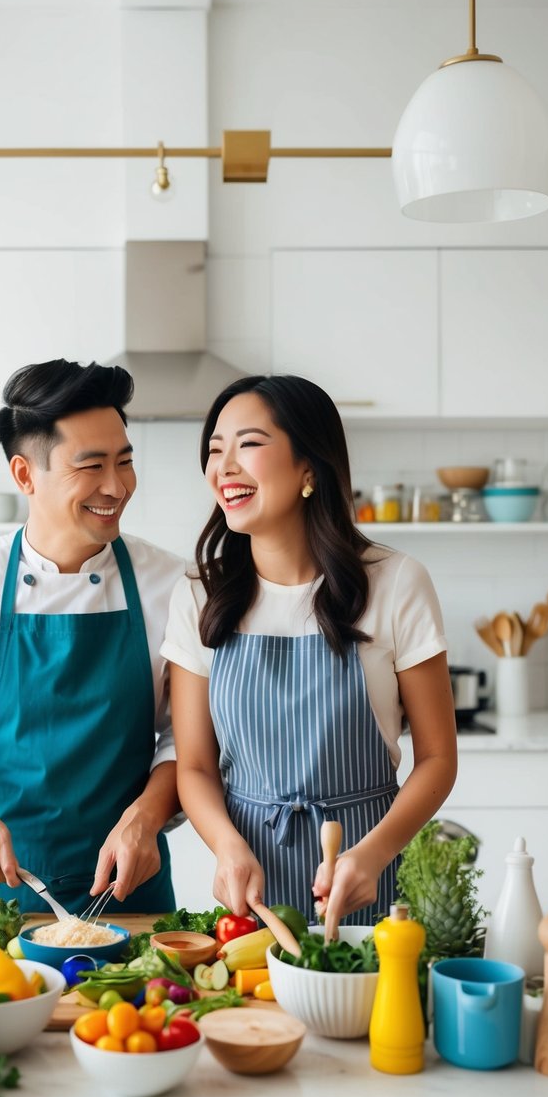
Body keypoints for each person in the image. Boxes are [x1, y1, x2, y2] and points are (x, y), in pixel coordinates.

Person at [0, 359, 185, 915]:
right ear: (25, 475)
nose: (116, 487)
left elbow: (185, 740)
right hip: (2, 895)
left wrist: (145, 817)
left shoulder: (173, 587)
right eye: (90, 466)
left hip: (130, 887)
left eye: (125, 462)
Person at [161, 374, 457, 928]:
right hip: (250, 895)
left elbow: (439, 758)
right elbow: (196, 766)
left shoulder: (395, 582)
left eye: (247, 444)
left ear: (309, 469)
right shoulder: (199, 594)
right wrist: (227, 847)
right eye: (214, 450)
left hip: (372, 880)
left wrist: (372, 854)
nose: (223, 467)